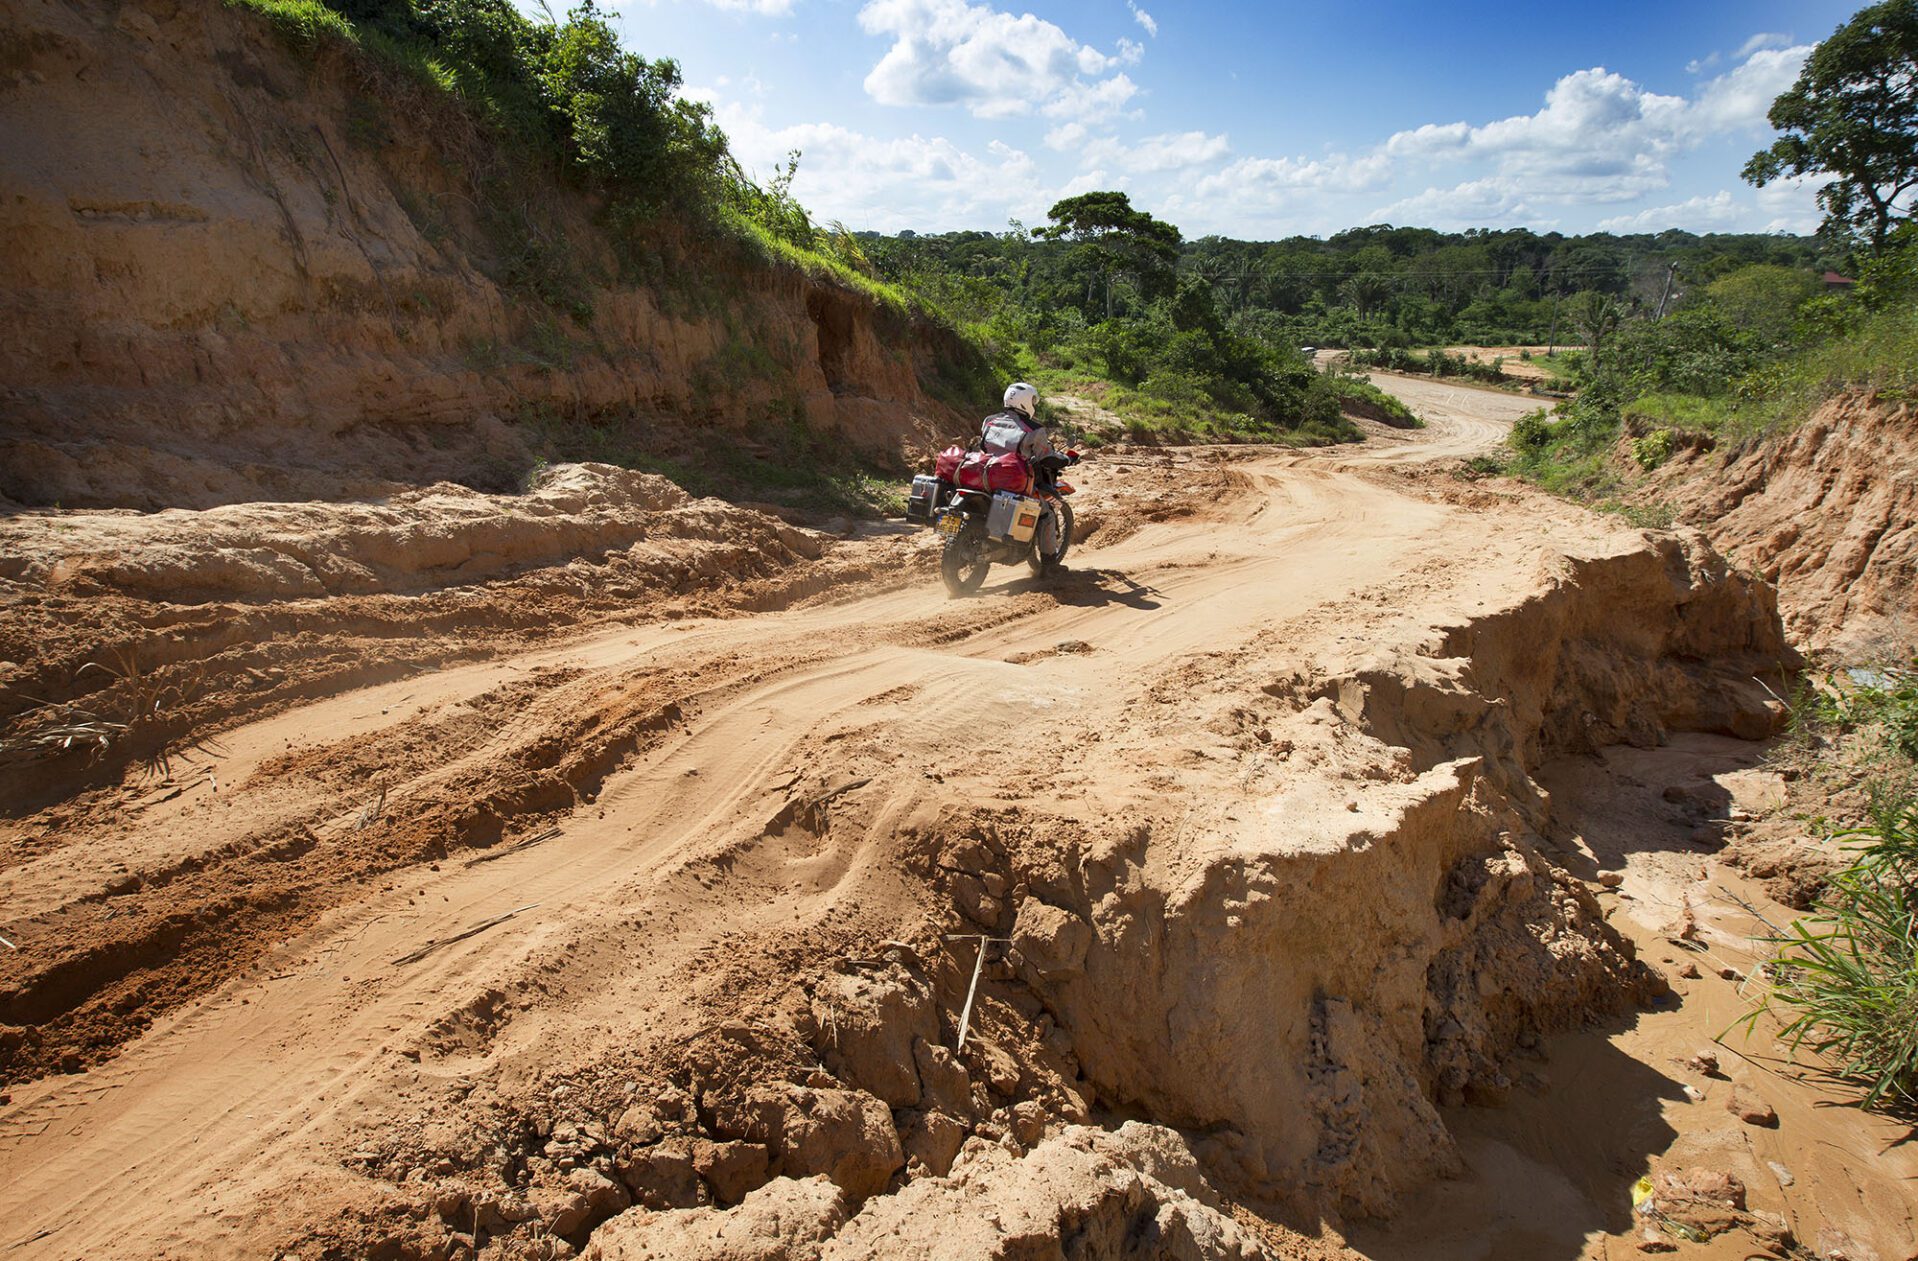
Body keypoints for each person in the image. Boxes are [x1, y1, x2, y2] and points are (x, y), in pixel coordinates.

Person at [979, 382, 1054, 466]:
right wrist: (1068, 459)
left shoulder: (989, 420)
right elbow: (1045, 457)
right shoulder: (1035, 429)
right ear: (1026, 401)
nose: (1033, 404)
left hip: (987, 472)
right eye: (1032, 401)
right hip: (1015, 474)